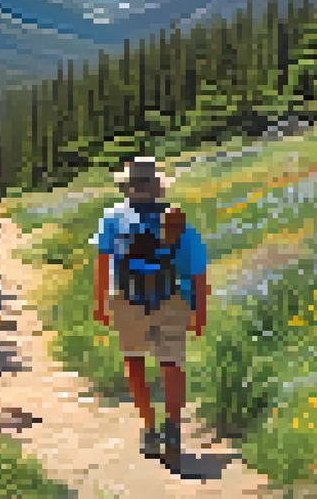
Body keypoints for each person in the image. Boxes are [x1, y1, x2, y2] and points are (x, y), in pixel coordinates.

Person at [93, 156, 209, 472]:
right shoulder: (175, 218)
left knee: (135, 362)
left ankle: (149, 429)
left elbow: (103, 262)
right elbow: (198, 269)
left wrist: (100, 302)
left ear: (128, 188)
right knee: (171, 364)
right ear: (157, 188)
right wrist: (200, 311)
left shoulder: (112, 218)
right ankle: (172, 429)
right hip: (171, 298)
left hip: (127, 299)